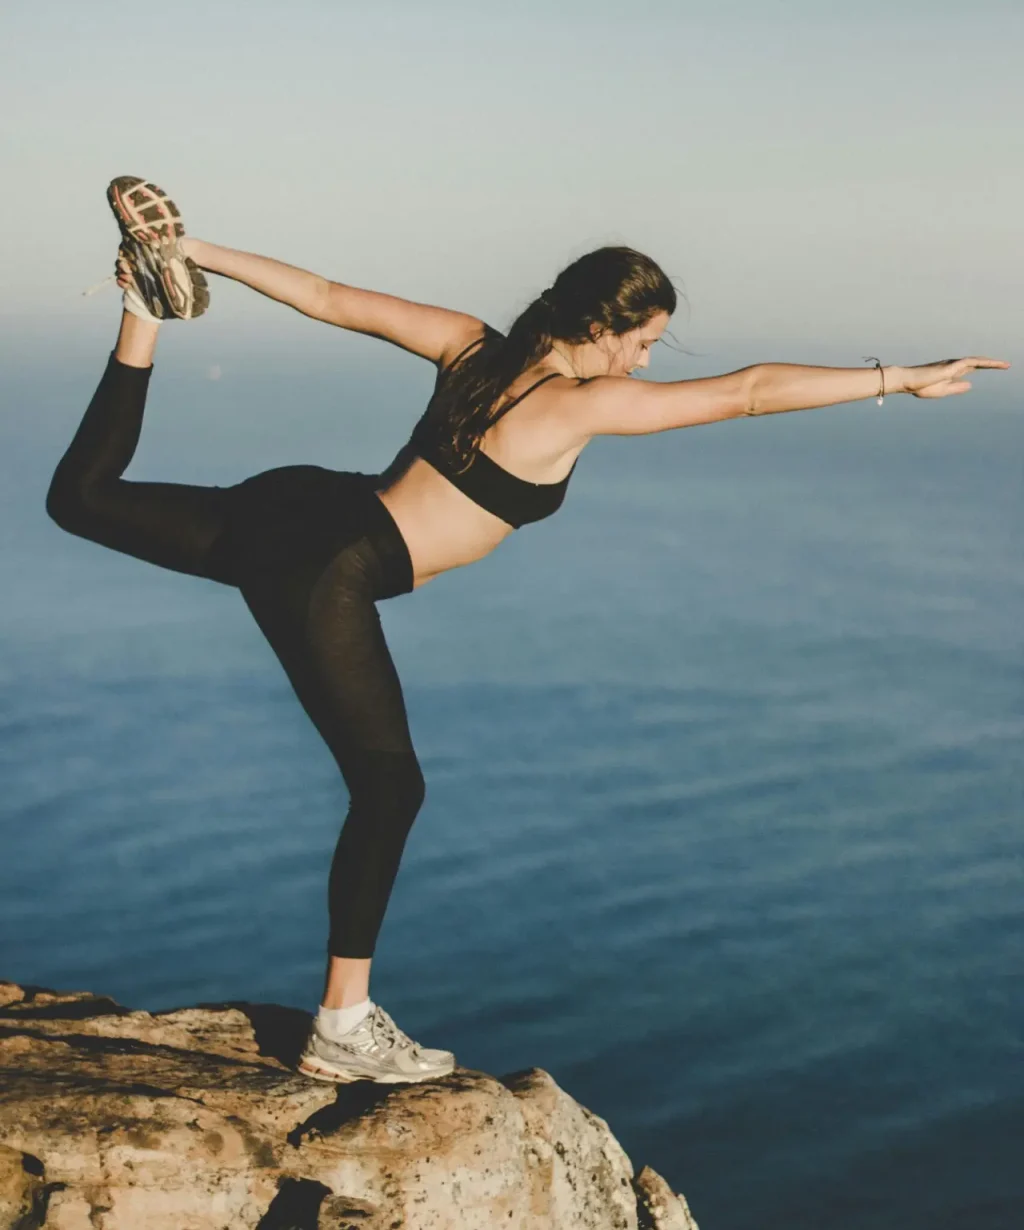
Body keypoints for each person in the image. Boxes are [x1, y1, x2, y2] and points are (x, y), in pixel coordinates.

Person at [47, 176, 1009, 1085]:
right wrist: (900, 376)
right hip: (332, 563)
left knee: (82, 500)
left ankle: (144, 304)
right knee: (390, 787)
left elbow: (326, 295)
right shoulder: (579, 406)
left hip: (301, 506)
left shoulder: (470, 344)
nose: (641, 362)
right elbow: (747, 391)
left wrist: (196, 249)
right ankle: (342, 1026)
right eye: (640, 343)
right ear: (600, 329)